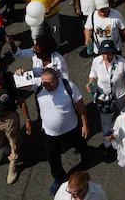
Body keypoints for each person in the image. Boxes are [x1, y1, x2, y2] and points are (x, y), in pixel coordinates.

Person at [35, 67, 91, 195]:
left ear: (57, 79)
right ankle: (59, 178)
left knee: (80, 143)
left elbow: (81, 106)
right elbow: (18, 84)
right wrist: (19, 74)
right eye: (44, 83)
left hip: (71, 128)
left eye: (50, 82)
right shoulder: (38, 85)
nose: (46, 85)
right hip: (50, 133)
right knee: (53, 158)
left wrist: (85, 125)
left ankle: (85, 154)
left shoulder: (68, 86)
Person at [88, 40, 125, 152]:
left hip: (120, 96)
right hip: (104, 98)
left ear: (113, 53)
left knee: (124, 119)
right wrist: (91, 82)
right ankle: (107, 144)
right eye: (103, 53)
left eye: (108, 53)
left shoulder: (122, 62)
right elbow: (93, 74)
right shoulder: (96, 61)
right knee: (105, 121)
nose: (106, 56)